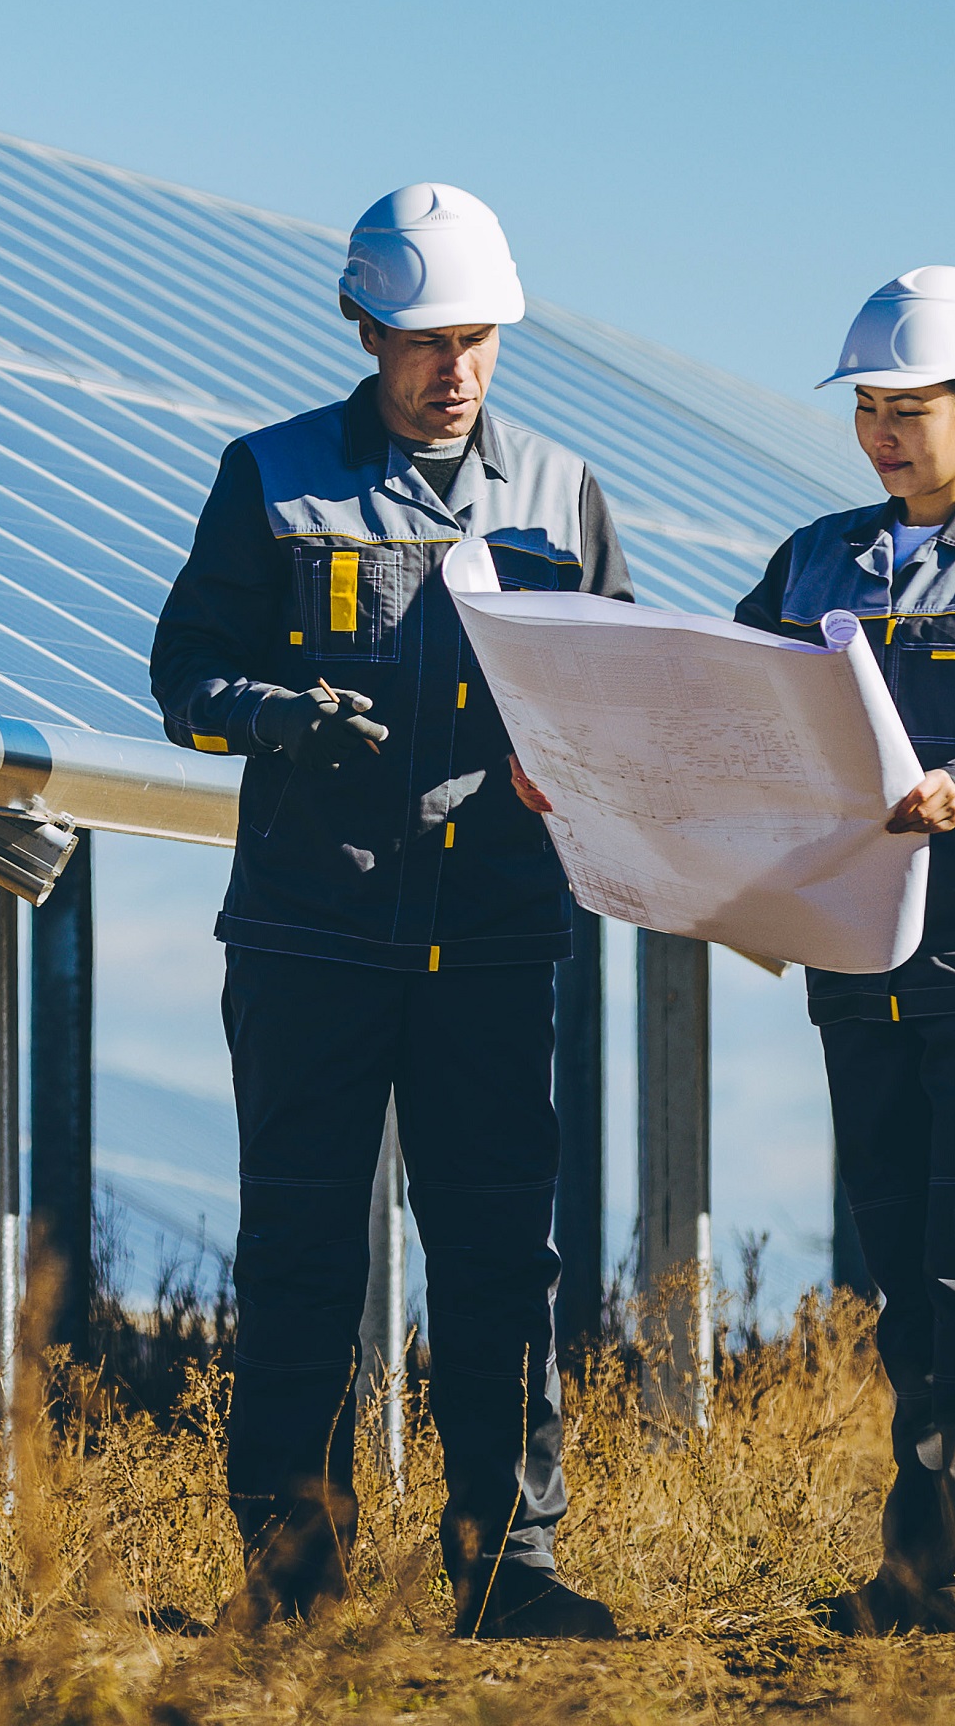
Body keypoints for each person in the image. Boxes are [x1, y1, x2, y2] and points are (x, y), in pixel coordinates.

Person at [151, 183, 633, 1640]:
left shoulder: (562, 497)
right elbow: (185, 679)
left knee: (498, 1255)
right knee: (302, 1251)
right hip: (313, 931)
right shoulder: (274, 479)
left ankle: (506, 1571)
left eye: (477, 339)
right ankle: (293, 1583)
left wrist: (590, 776)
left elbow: (621, 695)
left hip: (492, 934)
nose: (454, 369)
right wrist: (283, 717)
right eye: (425, 340)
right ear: (365, 328)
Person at [731, 266, 955, 1634]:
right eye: (868, 409)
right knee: (899, 1256)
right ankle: (917, 1559)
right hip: (861, 954)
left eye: (910, 407)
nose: (883, 433)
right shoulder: (819, 558)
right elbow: (734, 696)